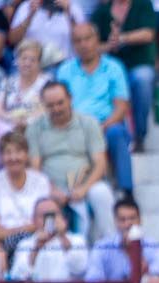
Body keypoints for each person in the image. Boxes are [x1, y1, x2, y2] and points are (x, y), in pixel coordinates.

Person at [27, 81, 116, 243]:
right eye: (50, 105)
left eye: (60, 103)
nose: (56, 109)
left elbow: (100, 163)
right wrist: (51, 189)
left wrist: (83, 188)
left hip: (85, 184)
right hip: (50, 186)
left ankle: (110, 245)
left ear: (70, 99)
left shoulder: (89, 123)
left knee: (101, 193)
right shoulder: (35, 128)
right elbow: (35, 166)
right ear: (44, 105)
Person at [55, 23, 134, 198]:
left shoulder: (114, 67)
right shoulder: (65, 71)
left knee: (116, 133)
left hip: (106, 124)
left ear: (97, 40)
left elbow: (121, 106)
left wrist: (102, 126)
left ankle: (126, 193)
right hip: (74, 126)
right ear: (73, 45)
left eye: (88, 39)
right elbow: (59, 105)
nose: (83, 44)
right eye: (78, 41)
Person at [90, 0, 157, 152]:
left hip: (137, 65)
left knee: (142, 78)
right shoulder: (102, 11)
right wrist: (109, 46)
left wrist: (122, 38)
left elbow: (148, 33)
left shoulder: (143, 4)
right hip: (110, 70)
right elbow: (91, 44)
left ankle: (139, 136)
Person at [0, 130, 50, 253]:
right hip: (5, 244)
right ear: (1, 157)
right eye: (8, 153)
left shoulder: (41, 181)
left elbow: (45, 223)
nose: (13, 158)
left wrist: (17, 231)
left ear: (26, 154)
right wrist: (25, 229)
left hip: (38, 240)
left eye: (18, 152)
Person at [84, 196, 159, 281]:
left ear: (140, 220)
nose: (128, 224)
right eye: (122, 220)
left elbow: (157, 281)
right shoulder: (101, 246)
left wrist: (133, 252)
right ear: (115, 222)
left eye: (132, 218)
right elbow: (93, 280)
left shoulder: (153, 246)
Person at [9, 197, 88, 281]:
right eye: (44, 216)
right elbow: (17, 277)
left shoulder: (77, 240)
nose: (49, 220)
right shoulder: (25, 244)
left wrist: (63, 237)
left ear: (62, 217)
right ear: (34, 220)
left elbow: (80, 270)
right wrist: (37, 248)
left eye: (53, 215)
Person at [9, 0, 86, 69]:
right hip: (29, 65)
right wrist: (30, 15)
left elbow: (82, 40)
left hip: (62, 65)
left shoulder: (73, 8)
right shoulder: (26, 6)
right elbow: (13, 40)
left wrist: (69, 13)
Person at [0, 39, 49, 130]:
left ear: (39, 63)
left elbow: (46, 110)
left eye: (32, 60)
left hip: (36, 129)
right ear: (17, 61)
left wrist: (26, 122)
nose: (27, 63)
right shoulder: (7, 82)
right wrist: (11, 119)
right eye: (24, 58)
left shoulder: (47, 83)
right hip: (9, 128)